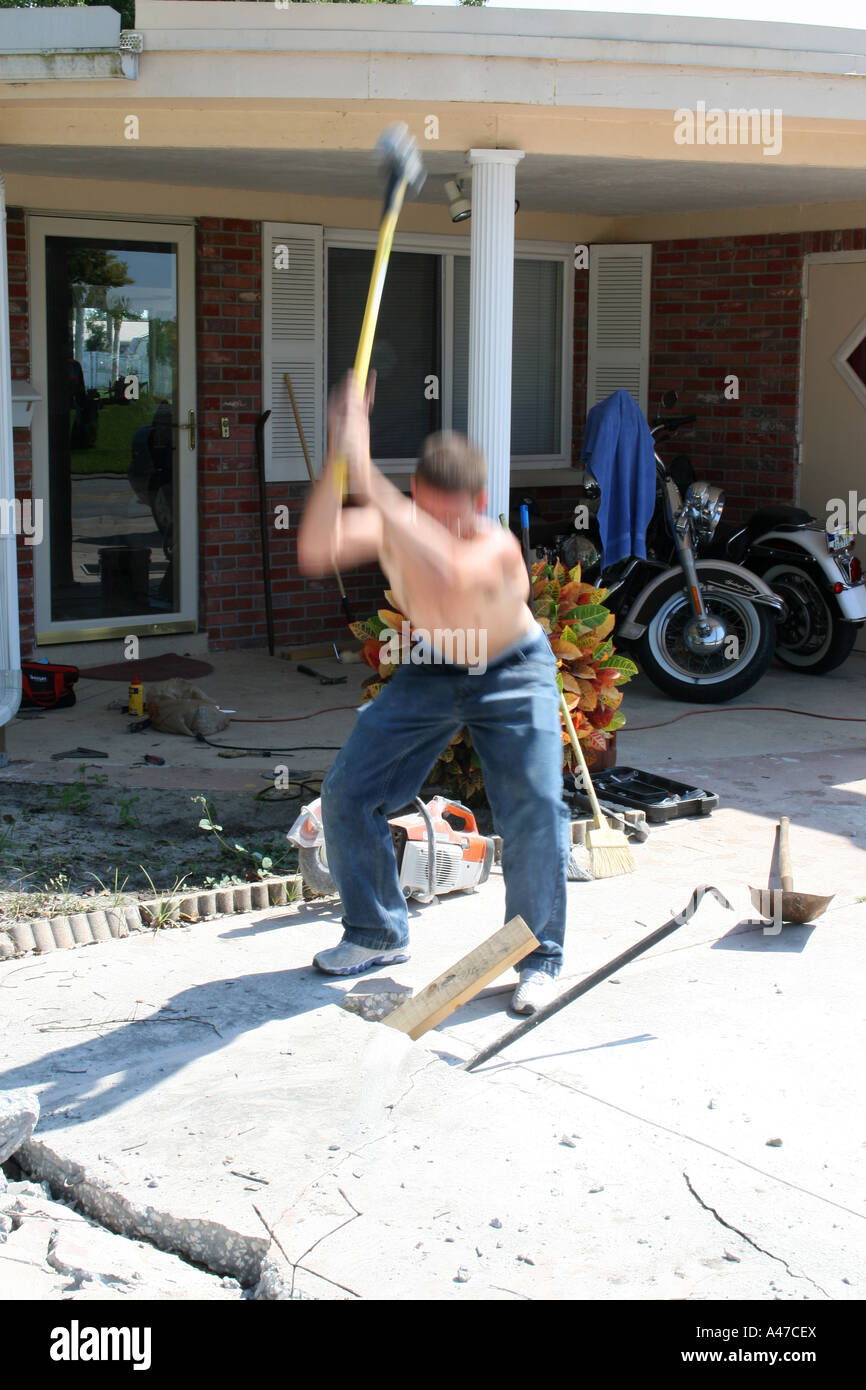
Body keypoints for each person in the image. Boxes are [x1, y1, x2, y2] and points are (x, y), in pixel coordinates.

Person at [297, 373, 570, 1014]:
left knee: (532, 810)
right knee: (348, 793)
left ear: (479, 501)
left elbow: (448, 569)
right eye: (431, 510)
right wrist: (339, 465)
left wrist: (367, 475)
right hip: (433, 667)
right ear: (419, 493)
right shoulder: (401, 522)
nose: (447, 525)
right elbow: (315, 550)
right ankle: (377, 932)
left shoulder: (495, 546)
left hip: (511, 668)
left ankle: (538, 958)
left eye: (460, 513)